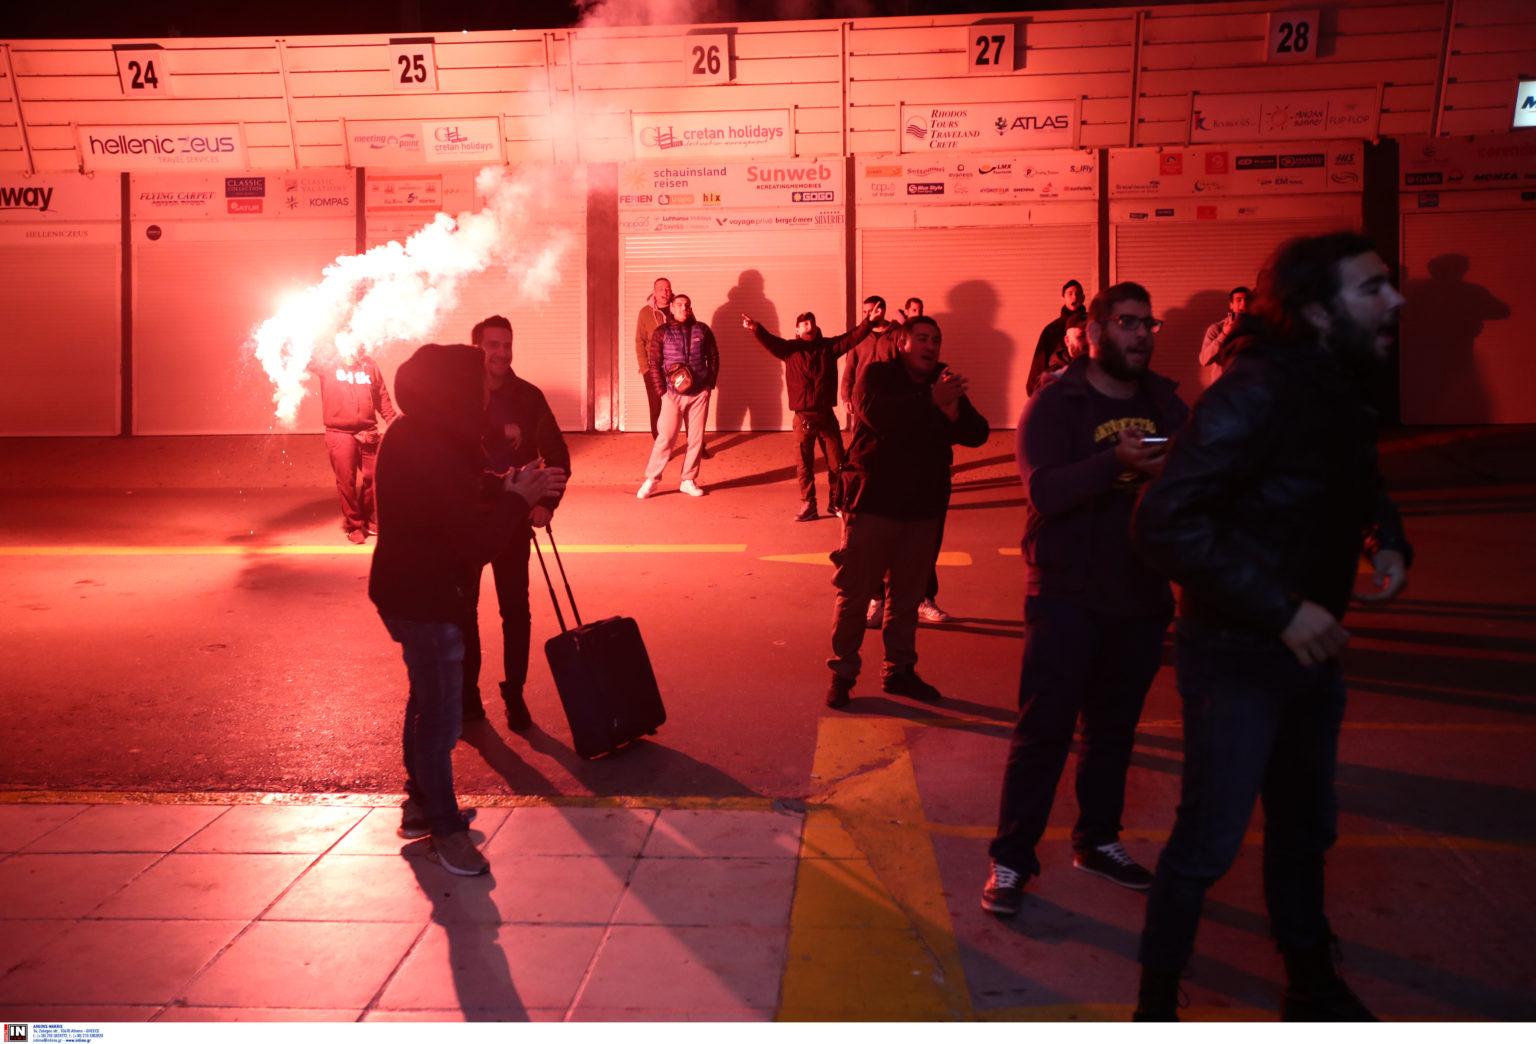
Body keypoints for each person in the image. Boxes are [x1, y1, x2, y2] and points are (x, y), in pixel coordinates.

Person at [1129, 233, 1411, 1022]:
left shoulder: (1339, 387)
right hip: (1238, 657)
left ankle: (1311, 988)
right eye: (1373, 289)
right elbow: (1164, 521)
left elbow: (1358, 480)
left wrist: (1386, 537)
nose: (1394, 300)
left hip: (1309, 655)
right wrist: (1283, 609)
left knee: (1305, 830)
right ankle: (1155, 1008)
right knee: (1208, 842)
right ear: (1317, 311)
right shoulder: (1250, 393)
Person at [981, 282, 1189, 918]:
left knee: (1113, 731)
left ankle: (1097, 840)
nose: (1141, 334)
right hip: (1066, 592)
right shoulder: (1057, 402)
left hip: (1141, 592)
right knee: (1043, 731)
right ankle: (1011, 859)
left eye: (1148, 323)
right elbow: (1043, 491)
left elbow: (1199, 477)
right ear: (1095, 333)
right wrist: (1114, 462)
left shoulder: (1165, 403)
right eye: (1127, 322)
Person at [369, 343, 566, 876]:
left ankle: (419, 804)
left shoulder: (421, 433)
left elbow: (458, 491)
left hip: (410, 593)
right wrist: (516, 501)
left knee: (425, 699)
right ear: (454, 388)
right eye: (478, 384)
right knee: (440, 717)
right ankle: (445, 830)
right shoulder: (432, 444)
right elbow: (474, 541)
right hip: (427, 598)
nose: (485, 393)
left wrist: (505, 484)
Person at [826, 316, 989, 709]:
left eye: (936, 340)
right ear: (901, 343)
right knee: (856, 591)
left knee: (907, 595)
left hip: (923, 507)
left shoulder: (945, 381)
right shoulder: (878, 375)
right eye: (922, 338)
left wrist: (954, 413)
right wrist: (931, 401)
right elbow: (875, 414)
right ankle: (842, 673)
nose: (930, 346)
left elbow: (978, 433)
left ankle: (899, 671)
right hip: (874, 502)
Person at [462, 315, 571, 732]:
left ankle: (515, 694)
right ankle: (468, 696)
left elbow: (557, 453)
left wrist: (546, 502)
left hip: (512, 520)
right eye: (493, 345)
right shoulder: (460, 399)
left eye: (507, 345)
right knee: (464, 611)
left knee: (515, 611)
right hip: (470, 519)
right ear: (477, 349)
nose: (502, 353)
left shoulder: (528, 396)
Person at [743, 308, 872, 521]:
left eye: (811, 323)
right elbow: (770, 341)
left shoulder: (829, 347)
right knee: (804, 466)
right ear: (797, 330)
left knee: (837, 463)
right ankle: (808, 504)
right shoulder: (789, 350)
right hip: (803, 419)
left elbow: (852, 338)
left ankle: (836, 502)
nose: (809, 326)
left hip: (826, 417)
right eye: (804, 324)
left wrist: (868, 322)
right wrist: (757, 329)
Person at [306, 346, 398, 543]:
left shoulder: (370, 365)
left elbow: (382, 398)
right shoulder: (327, 363)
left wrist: (395, 423)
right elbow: (304, 356)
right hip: (340, 434)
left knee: (376, 477)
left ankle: (364, 516)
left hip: (368, 432)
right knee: (346, 482)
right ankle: (354, 525)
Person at [638, 293, 718, 499]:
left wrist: (709, 385)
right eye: (679, 304)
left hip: (698, 394)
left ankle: (688, 480)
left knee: (696, 439)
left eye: (687, 305)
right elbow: (654, 363)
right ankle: (652, 480)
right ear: (672, 308)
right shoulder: (661, 332)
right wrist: (662, 393)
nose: (684, 308)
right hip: (672, 394)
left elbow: (713, 357)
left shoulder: (703, 330)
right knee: (666, 438)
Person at [838, 296, 902, 424]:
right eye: (865, 312)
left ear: (882, 311)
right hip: (861, 397)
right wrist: (846, 398)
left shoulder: (897, 334)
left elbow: (904, 367)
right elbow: (850, 368)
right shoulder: (859, 336)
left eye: (871, 311)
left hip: (888, 397)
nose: (868, 315)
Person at [1027, 280, 1086, 395]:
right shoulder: (1051, 330)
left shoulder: (1092, 326)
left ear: (1083, 298)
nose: (1074, 297)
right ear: (1063, 298)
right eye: (1070, 294)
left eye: (1077, 294)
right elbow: (1039, 364)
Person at [635, 277, 672, 438]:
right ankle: (660, 444)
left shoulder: (678, 308)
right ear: (654, 292)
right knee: (657, 408)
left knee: (681, 408)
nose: (665, 291)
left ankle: (695, 444)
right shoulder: (645, 313)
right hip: (654, 368)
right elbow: (640, 341)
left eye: (667, 288)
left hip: (676, 368)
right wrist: (645, 369)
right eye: (661, 288)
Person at [1197, 285, 1251, 387]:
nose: (1243, 304)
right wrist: (1224, 334)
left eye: (1247, 300)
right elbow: (1204, 360)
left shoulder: (1258, 328)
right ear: (1231, 305)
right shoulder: (1216, 329)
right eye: (1238, 300)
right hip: (1223, 389)